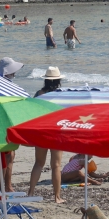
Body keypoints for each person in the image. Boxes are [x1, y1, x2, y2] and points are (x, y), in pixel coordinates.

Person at [29, 67, 65, 202]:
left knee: (38, 163)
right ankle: (57, 197)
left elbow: (31, 112)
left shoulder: (39, 94)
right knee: (56, 165)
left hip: (41, 131)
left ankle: (31, 192)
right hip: (56, 132)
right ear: (58, 80)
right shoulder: (61, 95)